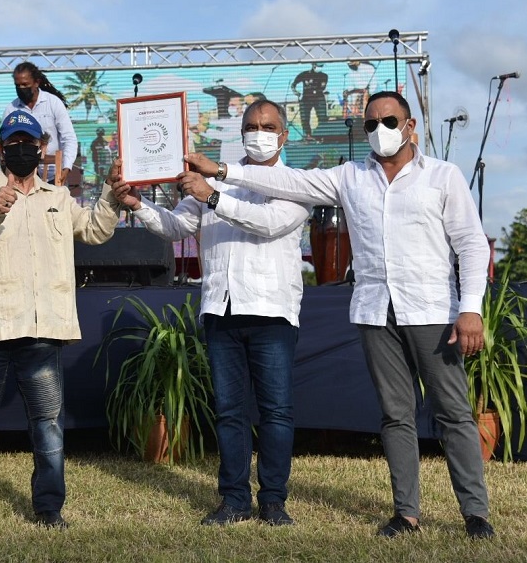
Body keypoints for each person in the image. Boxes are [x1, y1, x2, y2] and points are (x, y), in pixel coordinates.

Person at [184, 91, 495, 539]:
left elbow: (471, 243)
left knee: (453, 412)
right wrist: (224, 171)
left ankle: (475, 514)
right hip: (375, 310)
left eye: (389, 121)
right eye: (371, 124)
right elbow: (290, 182)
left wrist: (470, 309)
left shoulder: (443, 176)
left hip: (432, 308)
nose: (380, 130)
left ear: (410, 127)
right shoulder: (350, 176)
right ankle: (406, 514)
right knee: (395, 415)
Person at [112, 100, 311, 526]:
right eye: (252, 126)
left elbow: (268, 223)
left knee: (276, 411)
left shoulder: (295, 182)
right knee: (229, 412)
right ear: (240, 133)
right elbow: (176, 227)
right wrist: (137, 204)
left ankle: (273, 501)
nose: (259, 133)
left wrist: (213, 195)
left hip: (272, 311)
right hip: (222, 308)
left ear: (284, 135)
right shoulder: (211, 183)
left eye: (268, 126)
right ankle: (234, 500)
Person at [0, 111, 122, 531]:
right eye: (14, 143)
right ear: (0, 148)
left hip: (42, 328)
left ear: (42, 148)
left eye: (30, 143)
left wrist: (111, 193)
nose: (22, 149)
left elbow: (95, 231)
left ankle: (49, 508)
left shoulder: (57, 196)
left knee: (48, 425)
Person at [2, 61, 78, 184]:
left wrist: (67, 167)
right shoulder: (11, 108)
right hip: (23, 177)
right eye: (17, 85)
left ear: (36, 82)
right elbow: (5, 141)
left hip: (54, 175)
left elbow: (68, 137)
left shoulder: (53, 103)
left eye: (25, 84)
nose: (21, 88)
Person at [291, 63, 328, 138]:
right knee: (304, 118)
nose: (320, 68)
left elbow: (322, 87)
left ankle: (322, 136)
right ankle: (307, 135)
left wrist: (315, 88)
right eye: (319, 66)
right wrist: (296, 92)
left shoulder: (324, 76)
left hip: (319, 98)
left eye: (321, 66)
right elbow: (293, 84)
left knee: (322, 117)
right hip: (306, 98)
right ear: (314, 65)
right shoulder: (304, 74)